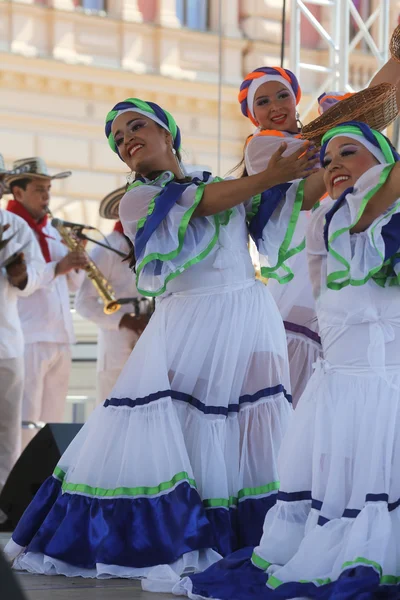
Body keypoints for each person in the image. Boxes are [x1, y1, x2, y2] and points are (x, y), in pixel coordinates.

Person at [4, 98, 318, 590]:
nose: (126, 138)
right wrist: (267, 176)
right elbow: (210, 204)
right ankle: (184, 535)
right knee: (189, 426)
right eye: (117, 139)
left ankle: (255, 533)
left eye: (136, 126)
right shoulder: (139, 200)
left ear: (167, 133)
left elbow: (287, 200)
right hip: (191, 322)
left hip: (247, 315)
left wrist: (341, 160)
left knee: (248, 425)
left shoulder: (214, 181)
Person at [175, 105, 400, 599]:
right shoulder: (332, 221)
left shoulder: (383, 219)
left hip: (387, 386)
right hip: (345, 386)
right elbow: (365, 220)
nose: (334, 162)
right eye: (328, 157)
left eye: (350, 152)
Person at [237, 66, 325, 407]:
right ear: (252, 115)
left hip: (329, 256)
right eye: (263, 101)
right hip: (298, 270)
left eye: (282, 95)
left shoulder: (320, 138)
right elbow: (317, 173)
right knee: (292, 387)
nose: (275, 105)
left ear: (295, 98)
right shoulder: (262, 147)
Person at [5, 158, 87, 448]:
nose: (47, 197)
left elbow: (73, 284)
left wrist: (77, 261)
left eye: (49, 189)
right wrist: (59, 266)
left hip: (59, 337)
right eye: (40, 189)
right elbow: (31, 281)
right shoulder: (12, 229)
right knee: (23, 425)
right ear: (18, 193)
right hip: (29, 337)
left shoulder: (52, 231)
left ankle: (45, 486)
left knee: (53, 426)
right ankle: (19, 490)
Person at [75, 186, 151, 403]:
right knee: (112, 406)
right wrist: (124, 320)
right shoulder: (107, 247)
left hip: (146, 332)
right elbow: (83, 303)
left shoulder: (150, 245)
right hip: (117, 341)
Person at [0, 155, 46, 506]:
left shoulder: (14, 226)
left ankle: (2, 503)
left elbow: (37, 277)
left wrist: (21, 276)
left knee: (6, 433)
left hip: (7, 345)